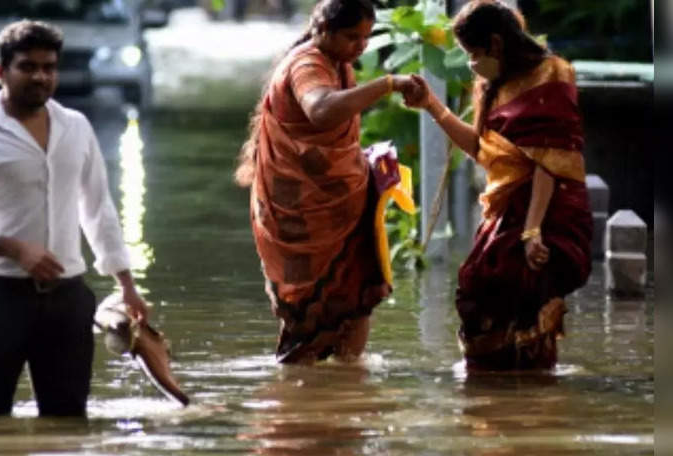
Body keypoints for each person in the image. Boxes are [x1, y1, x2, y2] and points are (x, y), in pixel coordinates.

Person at [0, 20, 149, 417]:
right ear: (1, 72)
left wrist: (127, 286)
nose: (40, 76)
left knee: (68, 422)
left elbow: (98, 209)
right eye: (27, 67)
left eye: (49, 67)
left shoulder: (76, 127)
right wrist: (12, 248)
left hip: (68, 299)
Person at [235, 0, 426, 364]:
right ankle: (300, 402)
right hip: (303, 214)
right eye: (352, 37)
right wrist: (387, 84)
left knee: (358, 296)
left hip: (343, 203)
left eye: (367, 37)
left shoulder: (337, 63)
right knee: (306, 310)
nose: (361, 46)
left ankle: (347, 390)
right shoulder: (307, 64)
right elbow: (321, 111)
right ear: (323, 31)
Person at [409, 0, 592, 371]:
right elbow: (481, 147)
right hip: (506, 207)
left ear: (496, 43)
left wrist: (533, 230)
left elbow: (550, 159)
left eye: (474, 53)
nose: (472, 63)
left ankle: (533, 396)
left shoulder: (552, 76)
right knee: (476, 287)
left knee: (525, 290)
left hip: (547, 208)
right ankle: (494, 392)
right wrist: (431, 105)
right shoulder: (493, 86)